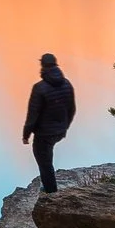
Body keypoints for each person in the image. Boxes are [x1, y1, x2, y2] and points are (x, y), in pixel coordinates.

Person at [22, 52, 76, 192]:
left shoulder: (39, 88)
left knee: (44, 161)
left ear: (42, 66)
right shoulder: (67, 84)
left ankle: (51, 192)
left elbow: (32, 115)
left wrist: (26, 135)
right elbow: (72, 109)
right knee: (47, 155)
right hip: (59, 131)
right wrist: (64, 126)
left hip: (44, 133)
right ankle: (49, 187)